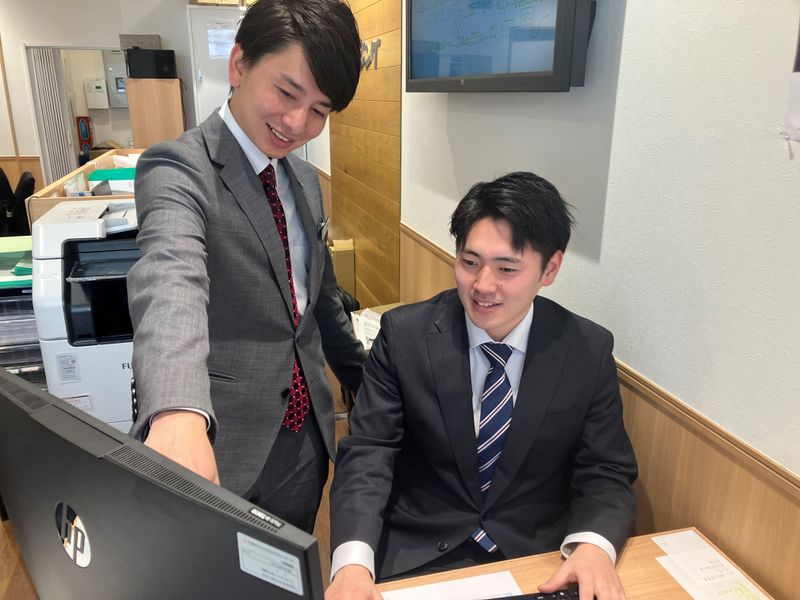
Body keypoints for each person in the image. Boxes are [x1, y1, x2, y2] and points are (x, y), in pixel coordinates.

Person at [327, 172, 638, 599]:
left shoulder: (586, 349)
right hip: (419, 554)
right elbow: (369, 451)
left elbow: (605, 470)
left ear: (550, 268)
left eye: (507, 268)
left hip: (536, 560)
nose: (482, 286)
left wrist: (594, 546)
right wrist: (351, 564)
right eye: (469, 262)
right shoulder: (405, 336)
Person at [127, 0, 367, 534]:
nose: (297, 123)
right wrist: (177, 411)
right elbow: (171, 278)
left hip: (304, 440)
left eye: (320, 110)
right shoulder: (178, 167)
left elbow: (318, 300)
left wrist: (367, 382)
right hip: (219, 442)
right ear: (239, 65)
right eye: (287, 93)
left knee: (288, 567)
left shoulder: (304, 181)